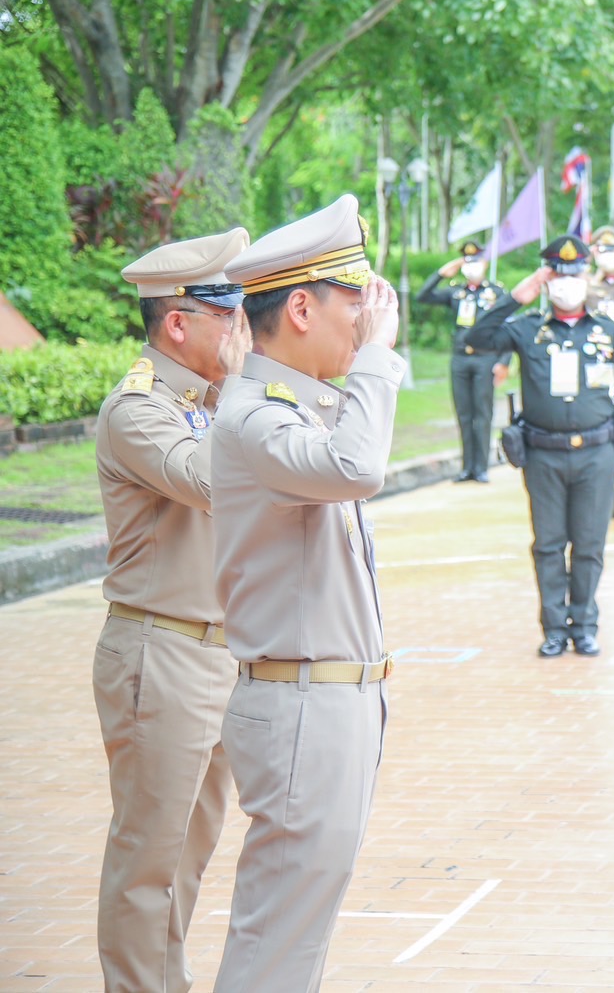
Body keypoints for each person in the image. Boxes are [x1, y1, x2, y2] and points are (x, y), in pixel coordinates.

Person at [211, 194, 405, 991]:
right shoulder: (255, 418)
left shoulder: (297, 409)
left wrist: (363, 362)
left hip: (328, 702)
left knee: (298, 935)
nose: (363, 322)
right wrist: (376, 357)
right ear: (300, 308)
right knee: (276, 940)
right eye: (352, 304)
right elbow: (358, 466)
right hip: (300, 708)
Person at [93, 228, 252, 993]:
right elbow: (212, 480)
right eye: (228, 314)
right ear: (180, 323)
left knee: (187, 856)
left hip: (219, 651)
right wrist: (249, 388)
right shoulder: (137, 408)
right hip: (161, 653)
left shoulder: (214, 402)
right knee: (148, 859)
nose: (241, 330)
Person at [464, 235, 614, 658]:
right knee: (548, 544)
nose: (567, 283)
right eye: (558, 275)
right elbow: (477, 336)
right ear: (546, 279)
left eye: (574, 274)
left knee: (589, 544)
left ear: (587, 276)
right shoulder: (528, 329)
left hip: (597, 453)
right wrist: (517, 296)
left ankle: (584, 625)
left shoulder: (607, 332)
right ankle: (554, 629)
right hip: (543, 454)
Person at [416, 239, 510, 483]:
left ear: (485, 263)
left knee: (483, 413)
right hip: (460, 359)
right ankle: (467, 467)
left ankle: (481, 467)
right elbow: (423, 296)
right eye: (467, 262)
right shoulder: (456, 292)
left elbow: (506, 326)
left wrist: (504, 361)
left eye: (476, 261)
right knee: (464, 413)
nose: (472, 267)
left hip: (485, 358)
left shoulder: (496, 293)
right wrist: (441, 274)